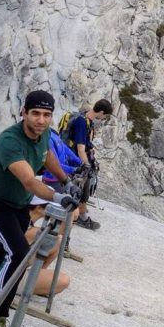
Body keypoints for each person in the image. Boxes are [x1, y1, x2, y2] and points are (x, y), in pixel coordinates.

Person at [0, 90, 78, 327]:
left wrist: (66, 180)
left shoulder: (42, 136)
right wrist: (59, 196)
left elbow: (47, 156)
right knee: (17, 253)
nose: (41, 120)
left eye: (47, 115)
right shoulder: (10, 141)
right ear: (24, 113)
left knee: (3, 244)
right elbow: (30, 181)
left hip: (18, 204)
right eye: (36, 114)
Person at [60, 99, 113, 231]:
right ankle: (81, 218)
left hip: (79, 159)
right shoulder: (82, 123)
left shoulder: (86, 119)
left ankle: (81, 215)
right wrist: (87, 165)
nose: (103, 118)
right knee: (82, 190)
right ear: (101, 112)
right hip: (77, 160)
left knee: (83, 189)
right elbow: (80, 148)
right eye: (104, 116)